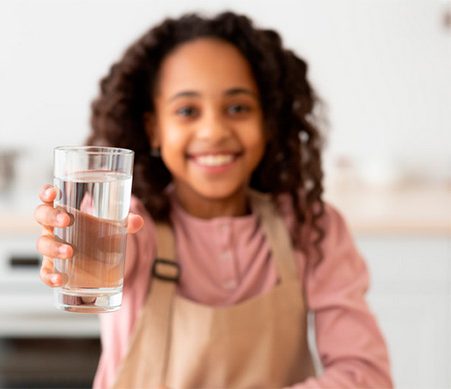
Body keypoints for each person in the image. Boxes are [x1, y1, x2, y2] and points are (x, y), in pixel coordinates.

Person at [34, 11, 393, 389]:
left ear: (268, 121)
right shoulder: (135, 224)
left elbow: (366, 376)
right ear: (153, 129)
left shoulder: (311, 227)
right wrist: (76, 248)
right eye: (187, 111)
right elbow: (101, 264)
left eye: (237, 108)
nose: (214, 130)